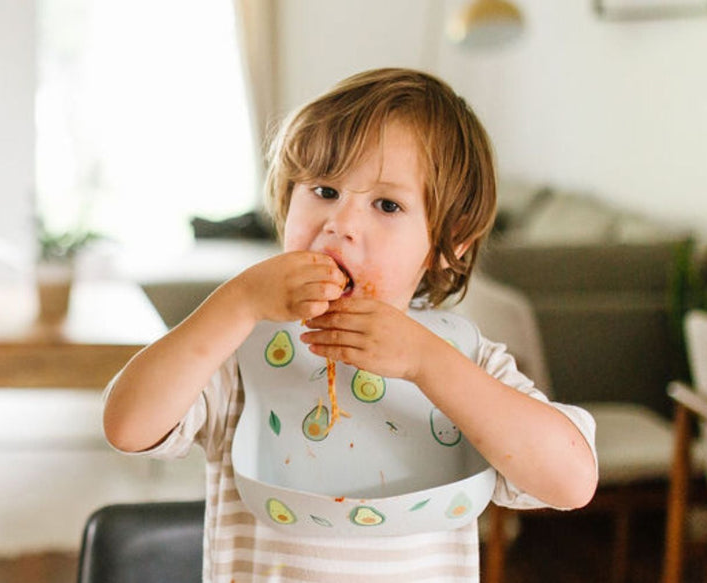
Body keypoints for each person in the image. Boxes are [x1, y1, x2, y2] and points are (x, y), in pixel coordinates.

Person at [102, 68, 598, 581]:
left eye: (387, 204)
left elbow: (572, 481)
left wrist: (426, 363)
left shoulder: (465, 362)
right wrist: (238, 303)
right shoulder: (238, 352)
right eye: (323, 189)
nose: (341, 224)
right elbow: (127, 426)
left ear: (450, 245)